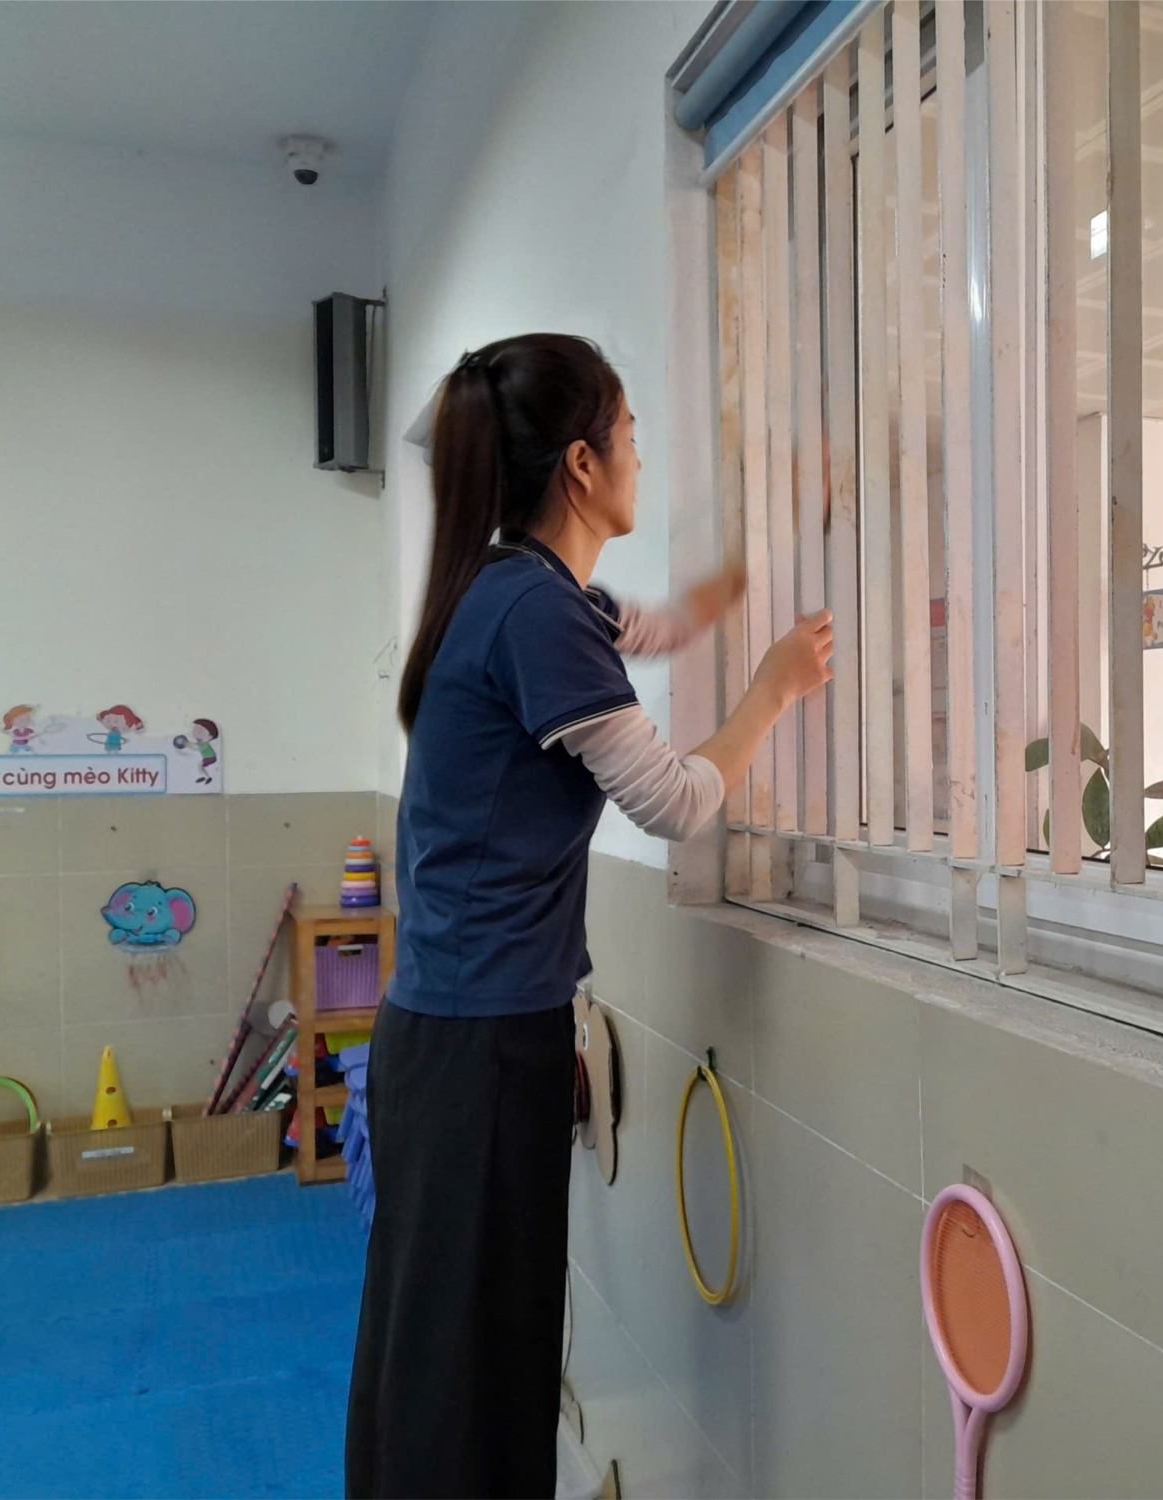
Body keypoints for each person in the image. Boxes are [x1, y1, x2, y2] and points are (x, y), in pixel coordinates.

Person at [345, 334, 831, 1499]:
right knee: (472, 1376)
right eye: (629, 437)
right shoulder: (535, 614)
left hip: (455, 1036)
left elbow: (660, 624)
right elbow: (673, 802)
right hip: (476, 1052)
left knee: (452, 1356)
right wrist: (773, 689)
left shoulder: (523, 591)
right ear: (580, 462)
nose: (640, 459)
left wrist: (752, 560)